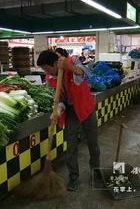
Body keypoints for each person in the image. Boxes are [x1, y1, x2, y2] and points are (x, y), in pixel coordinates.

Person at [37, 50, 101, 192]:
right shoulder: (49, 79)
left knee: (93, 144)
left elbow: (86, 74)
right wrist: (58, 111)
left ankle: (96, 170)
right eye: (43, 69)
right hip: (71, 111)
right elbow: (59, 100)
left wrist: (68, 66)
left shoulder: (73, 61)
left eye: (46, 68)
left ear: (55, 63)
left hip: (85, 106)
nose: (45, 72)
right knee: (71, 146)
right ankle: (73, 176)